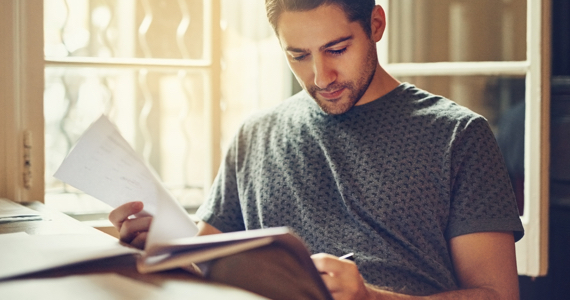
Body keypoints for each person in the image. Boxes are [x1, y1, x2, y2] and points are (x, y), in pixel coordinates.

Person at [110, 0, 524, 299]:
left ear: (376, 24)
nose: (320, 76)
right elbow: (204, 259)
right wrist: (159, 243)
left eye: (337, 49)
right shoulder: (255, 134)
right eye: (298, 55)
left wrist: (371, 299)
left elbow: (497, 295)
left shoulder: (458, 135)